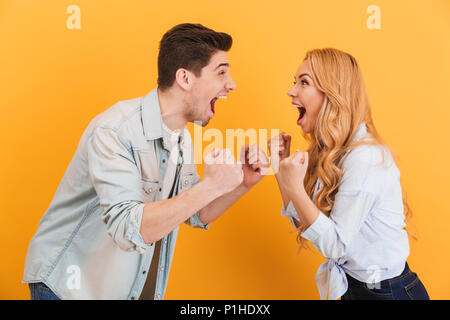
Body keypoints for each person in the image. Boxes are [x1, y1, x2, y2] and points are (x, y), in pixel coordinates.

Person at [23, 23, 267, 300]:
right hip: (69, 288)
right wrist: (211, 185)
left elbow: (194, 211)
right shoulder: (115, 130)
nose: (231, 85)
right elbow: (128, 229)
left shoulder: (181, 137)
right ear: (185, 79)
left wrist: (241, 183)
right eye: (221, 72)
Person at [267, 48, 429, 300]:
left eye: (304, 82)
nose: (291, 91)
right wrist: (280, 170)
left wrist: (295, 187)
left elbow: (335, 246)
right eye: (294, 82)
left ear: (333, 94)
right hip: (355, 288)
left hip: (389, 293)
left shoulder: (365, 157)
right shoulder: (331, 152)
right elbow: (305, 224)